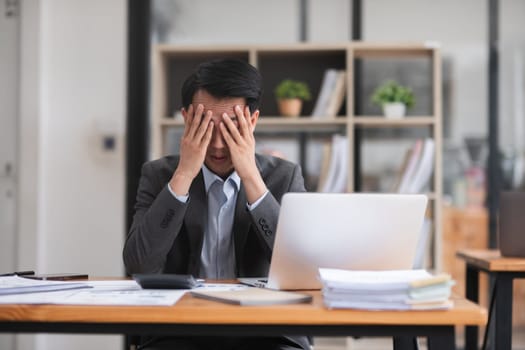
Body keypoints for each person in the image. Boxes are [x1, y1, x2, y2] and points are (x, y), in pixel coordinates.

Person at [123, 58, 309, 350]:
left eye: (231, 126)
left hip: (266, 328)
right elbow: (139, 263)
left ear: (252, 121)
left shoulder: (284, 177)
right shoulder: (159, 176)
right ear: (187, 119)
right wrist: (184, 174)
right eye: (207, 125)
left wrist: (250, 176)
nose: (219, 144)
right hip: (180, 327)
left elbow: (300, 267)